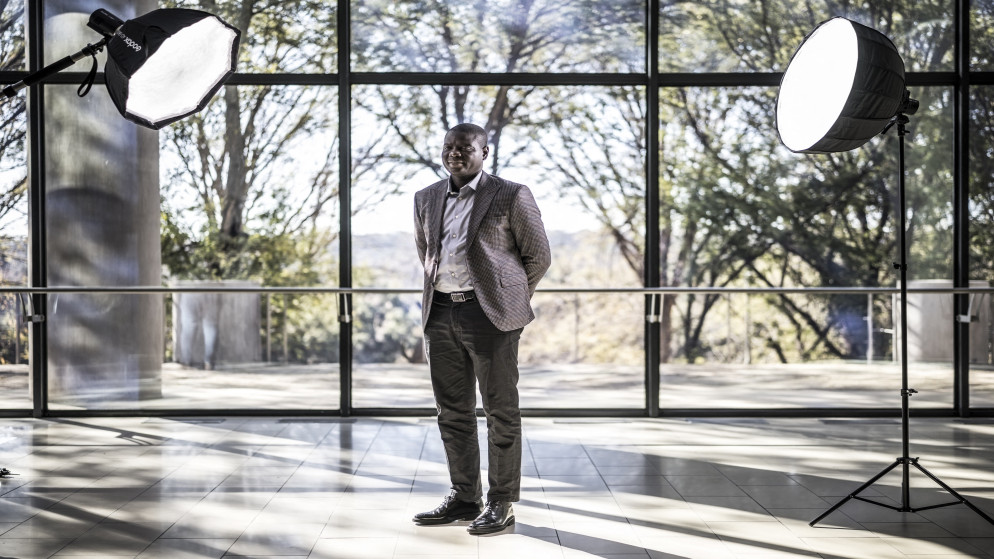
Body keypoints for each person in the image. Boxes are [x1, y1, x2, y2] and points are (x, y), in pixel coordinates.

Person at [412, 123, 551, 535]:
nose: (455, 153)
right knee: (452, 413)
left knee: (500, 412)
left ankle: (501, 502)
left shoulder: (511, 194)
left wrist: (506, 297)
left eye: (465, 147)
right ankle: (464, 497)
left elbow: (538, 256)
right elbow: (426, 252)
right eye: (448, 147)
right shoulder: (425, 197)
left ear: (484, 152)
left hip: (490, 316)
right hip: (440, 312)